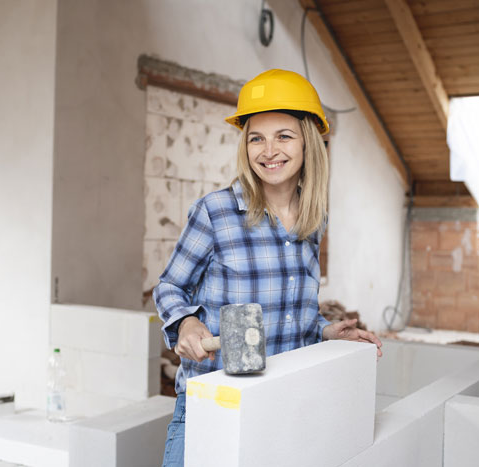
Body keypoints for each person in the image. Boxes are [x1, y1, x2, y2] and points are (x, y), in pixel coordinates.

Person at [153, 69, 383, 467]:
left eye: (284, 136)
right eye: (256, 137)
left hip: (282, 401)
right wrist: (186, 324)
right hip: (215, 402)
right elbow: (169, 287)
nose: (268, 150)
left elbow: (291, 314)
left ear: (308, 142)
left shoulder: (314, 219)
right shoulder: (216, 212)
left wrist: (326, 331)